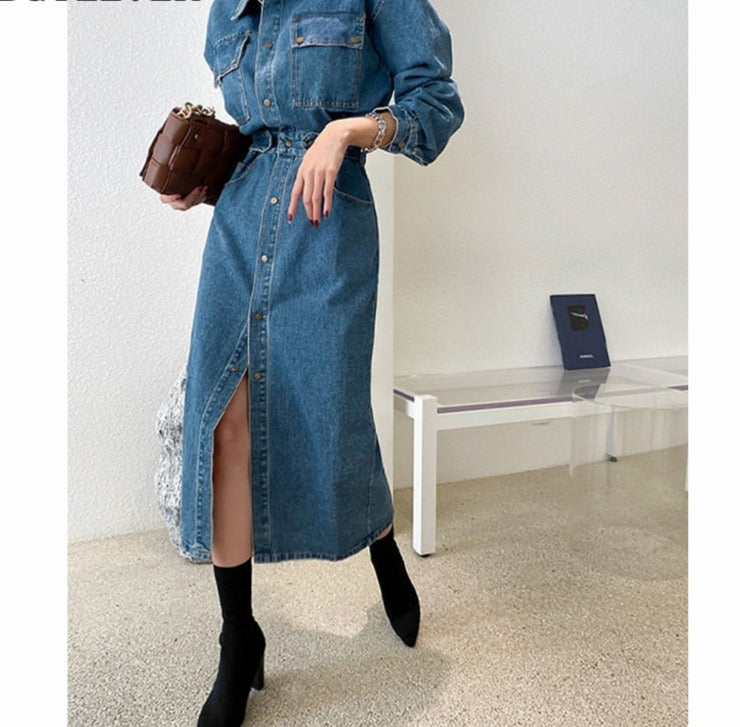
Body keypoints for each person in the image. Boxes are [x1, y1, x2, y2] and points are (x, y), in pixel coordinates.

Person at [159, 0, 464, 724]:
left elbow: (436, 106)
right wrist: (205, 176)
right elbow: (255, 125)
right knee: (221, 426)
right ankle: (239, 637)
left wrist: (347, 130)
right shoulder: (228, 8)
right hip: (240, 224)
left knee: (333, 417)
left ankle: (382, 545)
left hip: (328, 223)